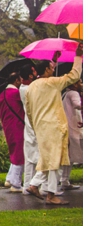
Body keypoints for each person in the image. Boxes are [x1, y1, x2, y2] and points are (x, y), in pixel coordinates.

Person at [25, 44, 83, 205]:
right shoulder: (51, 83)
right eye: (51, 68)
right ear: (47, 71)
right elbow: (74, 75)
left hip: (41, 127)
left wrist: (54, 61)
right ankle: (50, 194)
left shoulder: (32, 87)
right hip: (54, 126)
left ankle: (35, 185)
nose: (53, 69)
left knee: (48, 158)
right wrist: (78, 57)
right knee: (55, 160)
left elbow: (29, 111)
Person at [20, 63, 48, 197]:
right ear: (30, 75)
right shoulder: (29, 89)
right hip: (34, 125)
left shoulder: (23, 88)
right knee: (40, 157)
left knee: (29, 159)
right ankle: (41, 185)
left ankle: (26, 186)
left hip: (28, 125)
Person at [0, 72, 26, 192]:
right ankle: (16, 183)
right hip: (18, 125)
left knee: (14, 151)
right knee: (20, 152)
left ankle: (10, 178)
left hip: (8, 126)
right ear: (17, 81)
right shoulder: (16, 94)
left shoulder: (1, 95)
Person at [60, 80, 82, 190]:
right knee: (76, 154)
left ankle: (64, 180)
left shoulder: (65, 94)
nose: (81, 84)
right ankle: (64, 179)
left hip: (68, 127)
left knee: (69, 157)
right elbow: (78, 105)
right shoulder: (74, 93)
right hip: (75, 129)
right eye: (80, 82)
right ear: (74, 84)